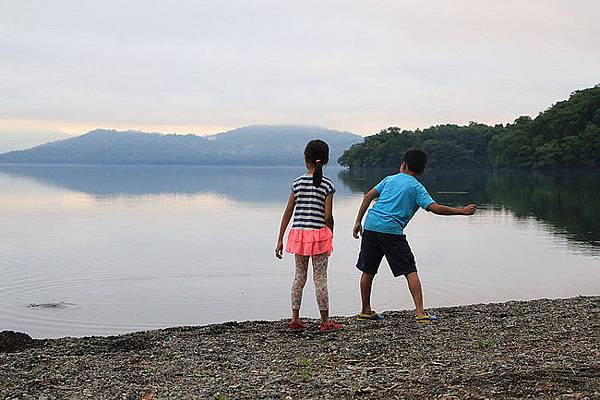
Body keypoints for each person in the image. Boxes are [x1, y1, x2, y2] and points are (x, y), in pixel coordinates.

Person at [352, 149, 476, 323]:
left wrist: (358, 221)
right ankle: (420, 313)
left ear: (403, 164)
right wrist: (462, 211)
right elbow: (435, 208)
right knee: (410, 270)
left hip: (371, 226)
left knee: (368, 269)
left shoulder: (389, 179)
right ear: (422, 171)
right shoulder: (417, 187)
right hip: (392, 231)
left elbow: (368, 196)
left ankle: (365, 310)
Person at [275, 139, 342, 332]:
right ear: (326, 160)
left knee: (299, 277)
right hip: (319, 235)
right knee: (320, 278)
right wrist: (331, 233)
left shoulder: (297, 183)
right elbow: (328, 216)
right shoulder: (327, 184)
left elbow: (288, 211)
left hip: (299, 235)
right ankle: (325, 322)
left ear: (306, 159)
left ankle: (295, 319)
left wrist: (280, 238)